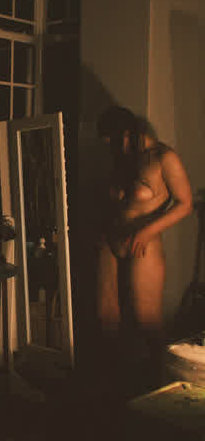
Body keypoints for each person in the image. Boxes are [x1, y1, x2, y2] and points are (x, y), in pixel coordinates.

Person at [95, 106, 193, 379]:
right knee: (106, 319)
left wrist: (148, 231)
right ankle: (115, 382)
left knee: (146, 320)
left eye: (115, 141)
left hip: (143, 243)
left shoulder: (164, 157)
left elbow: (185, 204)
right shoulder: (124, 159)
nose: (114, 148)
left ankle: (163, 379)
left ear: (128, 133)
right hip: (110, 241)